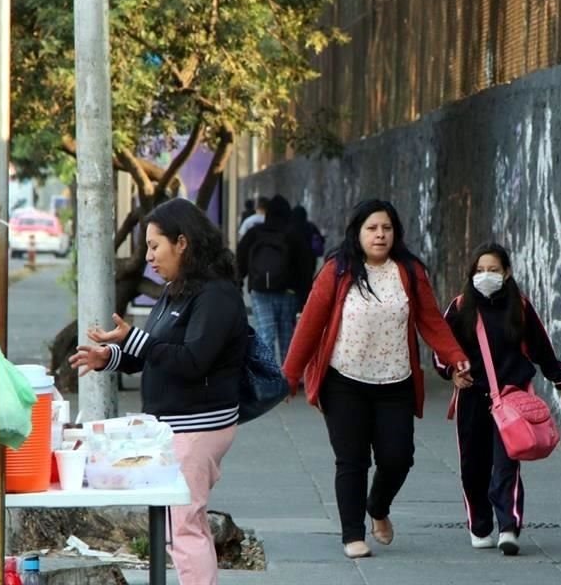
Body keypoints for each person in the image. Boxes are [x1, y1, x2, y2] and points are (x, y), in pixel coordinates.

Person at [68, 198, 248, 585]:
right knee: (178, 525)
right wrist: (110, 356)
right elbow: (153, 352)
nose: (149, 256)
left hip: (199, 425)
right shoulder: (174, 291)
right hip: (173, 426)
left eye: (154, 246)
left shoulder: (216, 296)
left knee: (185, 525)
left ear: (182, 242)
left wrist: (136, 340)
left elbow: (192, 361)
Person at [283, 199, 471, 559]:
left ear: (395, 232)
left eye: (386, 228)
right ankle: (352, 533)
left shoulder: (410, 271)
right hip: (344, 381)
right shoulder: (337, 271)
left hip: (395, 382)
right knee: (351, 460)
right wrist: (290, 375)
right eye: (372, 228)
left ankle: (378, 506)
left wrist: (455, 356)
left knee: (398, 457)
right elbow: (310, 324)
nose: (380, 235)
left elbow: (431, 320)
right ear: (357, 232)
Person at [434, 242, 561, 556]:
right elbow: (441, 348)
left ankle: (509, 527)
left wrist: (560, 381)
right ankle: (480, 525)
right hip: (472, 397)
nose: (486, 276)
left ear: (507, 273)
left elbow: (542, 349)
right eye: (480, 270)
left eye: (493, 270)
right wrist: (450, 373)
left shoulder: (520, 308)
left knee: (506, 463)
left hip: (511, 399)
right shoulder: (459, 308)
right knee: (473, 465)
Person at [237, 195, 314, 362]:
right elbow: (305, 267)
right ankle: (287, 379)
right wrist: (304, 297)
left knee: (265, 335)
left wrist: (237, 284)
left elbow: (240, 260)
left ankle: (267, 380)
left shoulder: (254, 233)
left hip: (260, 293)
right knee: (288, 339)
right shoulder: (294, 235)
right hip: (288, 292)